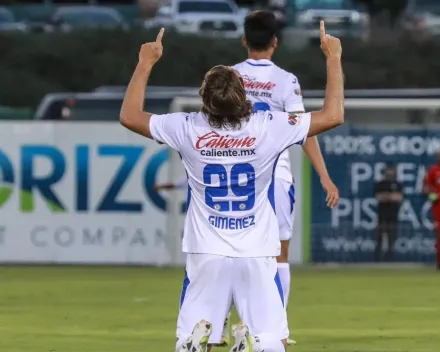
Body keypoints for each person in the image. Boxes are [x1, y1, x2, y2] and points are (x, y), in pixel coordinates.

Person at [120, 22, 344, 352]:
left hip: (206, 251)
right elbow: (333, 114)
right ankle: (255, 345)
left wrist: (145, 63)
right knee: (273, 340)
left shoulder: (186, 127)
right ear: (243, 96)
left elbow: (129, 115)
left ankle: (199, 343)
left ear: (204, 98)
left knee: (193, 338)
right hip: (256, 250)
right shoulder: (268, 126)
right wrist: (333, 57)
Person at [231, 10, 340, 347]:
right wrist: (324, 176)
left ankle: (224, 322)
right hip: (275, 175)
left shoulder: (227, 76)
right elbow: (305, 131)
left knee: (231, 250)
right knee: (278, 255)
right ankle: (276, 331)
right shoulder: (286, 80)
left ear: (244, 40)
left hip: (233, 173)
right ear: (275, 42)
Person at [374, 165, 403, 262]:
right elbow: (378, 197)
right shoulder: (381, 184)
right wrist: (391, 196)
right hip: (382, 216)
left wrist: (386, 196)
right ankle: (377, 259)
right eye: (388, 171)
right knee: (379, 239)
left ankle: (390, 259)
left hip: (393, 216)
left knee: (392, 239)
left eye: (392, 171)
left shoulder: (397, 184)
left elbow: (399, 197)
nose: (390, 173)